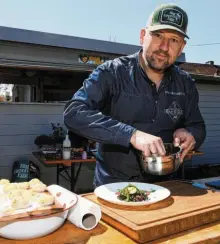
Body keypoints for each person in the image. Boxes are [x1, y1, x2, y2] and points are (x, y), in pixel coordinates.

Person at [64, 3, 206, 187]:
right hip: (114, 187)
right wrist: (131, 135)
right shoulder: (111, 73)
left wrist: (191, 134)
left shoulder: (186, 84)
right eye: (158, 35)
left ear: (181, 48)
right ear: (142, 36)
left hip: (168, 187)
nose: (164, 46)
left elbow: (198, 125)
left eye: (174, 40)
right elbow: (74, 113)